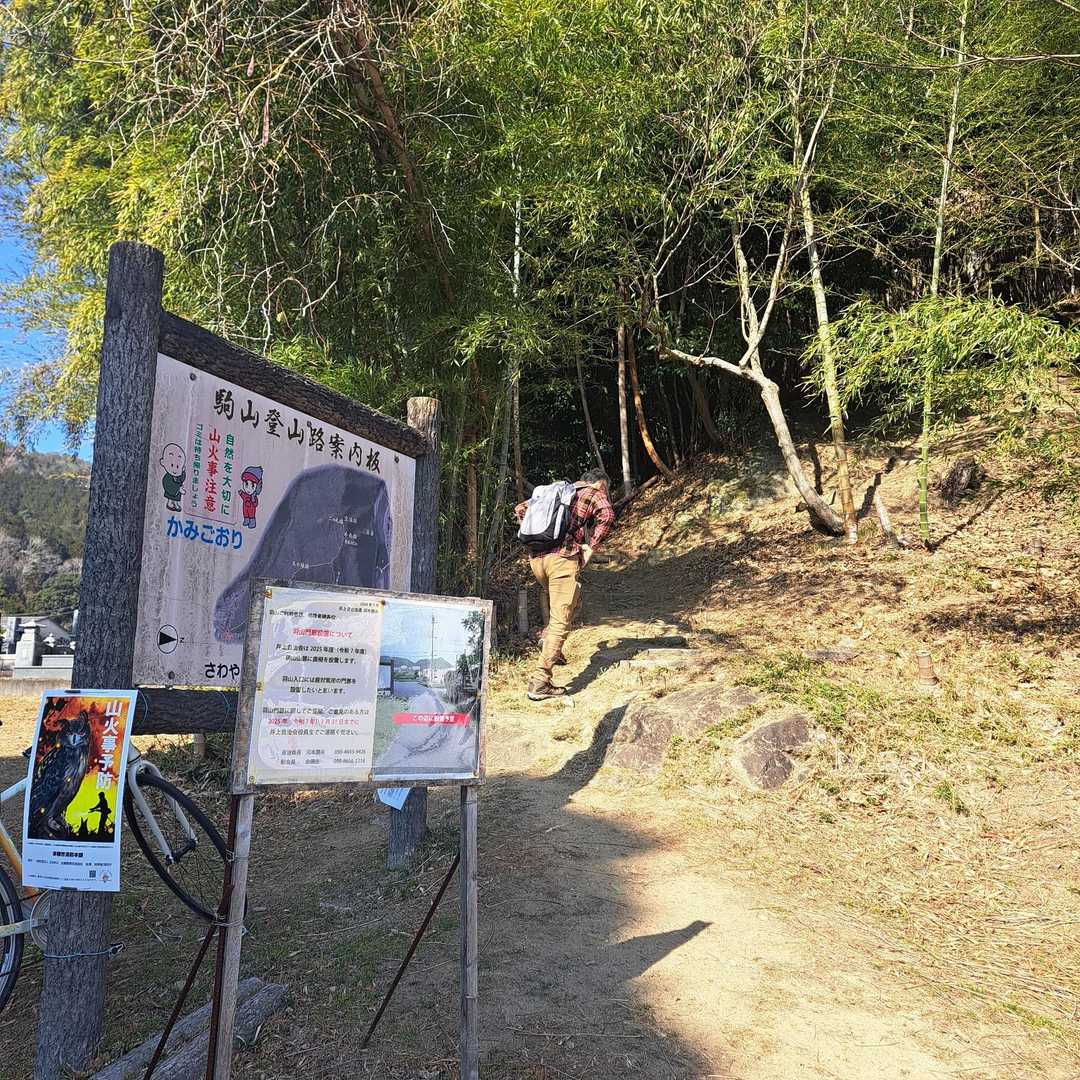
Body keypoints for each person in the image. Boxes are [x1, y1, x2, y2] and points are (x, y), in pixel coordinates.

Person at [515, 468, 615, 701]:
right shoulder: (592, 492)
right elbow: (607, 515)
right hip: (562, 560)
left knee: (572, 602)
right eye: (606, 489)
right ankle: (540, 682)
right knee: (561, 618)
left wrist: (537, 540)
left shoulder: (555, 491)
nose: (606, 493)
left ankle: (552, 645)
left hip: (537, 560)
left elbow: (520, 509)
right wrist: (591, 548)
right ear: (600, 484)